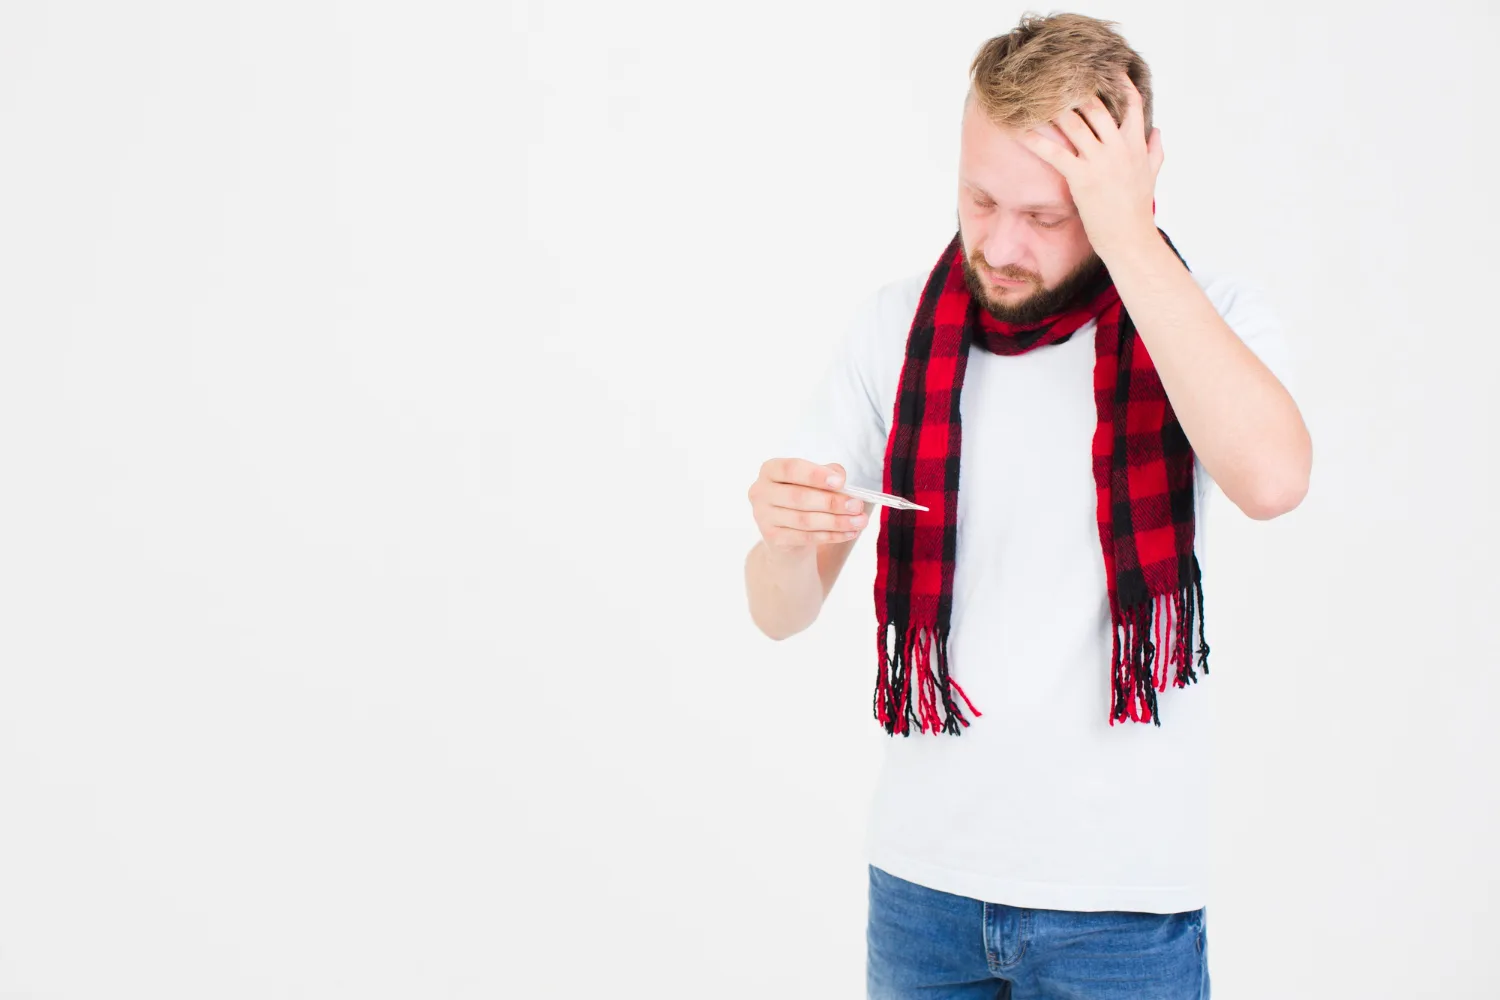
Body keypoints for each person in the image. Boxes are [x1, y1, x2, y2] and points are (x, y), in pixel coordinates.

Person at [742, 12, 1311, 999]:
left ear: (1130, 185)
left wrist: (1130, 237)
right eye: (980, 198)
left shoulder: (1201, 317)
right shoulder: (898, 327)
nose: (1000, 244)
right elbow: (778, 612)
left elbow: (1273, 480)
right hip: (922, 890)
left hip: (1121, 909)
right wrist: (786, 540)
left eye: (1046, 216)